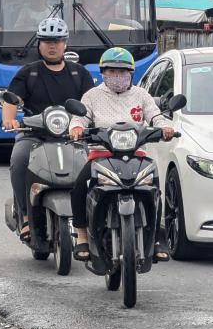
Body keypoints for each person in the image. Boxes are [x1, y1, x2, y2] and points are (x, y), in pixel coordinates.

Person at [68, 47, 174, 262]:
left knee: (153, 186)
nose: (117, 77)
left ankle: (156, 236)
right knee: (79, 186)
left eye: (122, 72)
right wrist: (76, 128)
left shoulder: (141, 95)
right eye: (112, 72)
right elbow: (81, 117)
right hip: (101, 155)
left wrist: (165, 127)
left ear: (131, 74)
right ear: (103, 73)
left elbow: (155, 116)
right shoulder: (92, 95)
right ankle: (81, 237)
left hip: (137, 155)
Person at [1, 17, 95, 242]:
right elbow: (11, 101)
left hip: (72, 135)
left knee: (95, 166)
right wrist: (10, 121)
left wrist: (90, 124)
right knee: (19, 160)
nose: (52, 46)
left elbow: (91, 103)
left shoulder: (78, 73)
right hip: (34, 135)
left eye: (57, 41)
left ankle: (93, 218)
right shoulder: (29, 73)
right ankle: (24, 215)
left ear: (65, 43)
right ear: (39, 44)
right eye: (47, 41)